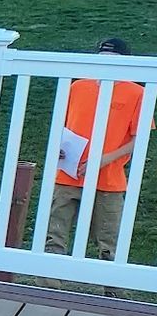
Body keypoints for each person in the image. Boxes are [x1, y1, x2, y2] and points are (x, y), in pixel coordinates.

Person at [46, 38, 152, 263]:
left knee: (108, 242)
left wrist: (103, 160)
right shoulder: (78, 86)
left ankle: (110, 293)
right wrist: (59, 147)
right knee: (54, 235)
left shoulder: (137, 93)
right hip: (68, 175)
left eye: (114, 60)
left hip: (109, 179)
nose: (107, 65)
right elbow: (61, 125)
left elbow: (139, 140)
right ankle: (48, 287)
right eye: (102, 59)